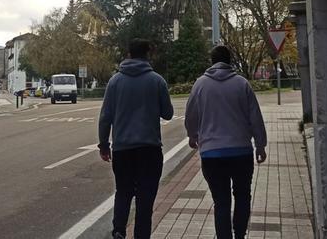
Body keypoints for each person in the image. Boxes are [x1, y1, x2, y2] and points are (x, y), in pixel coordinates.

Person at [185, 46, 268, 239]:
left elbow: (191, 116)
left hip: (212, 154)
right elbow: (254, 116)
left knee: (221, 201)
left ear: (211, 61)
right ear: (230, 61)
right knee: (242, 196)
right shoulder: (242, 84)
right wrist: (260, 144)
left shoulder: (200, 85)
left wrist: (192, 135)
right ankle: (239, 234)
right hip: (241, 151)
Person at [98, 39, 174, 239]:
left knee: (123, 192)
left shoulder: (114, 82)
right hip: (149, 149)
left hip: (123, 149)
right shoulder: (157, 81)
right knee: (145, 200)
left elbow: (105, 117)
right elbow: (168, 113)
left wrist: (104, 145)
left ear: (128, 54)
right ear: (148, 54)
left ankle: (118, 230)